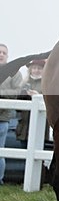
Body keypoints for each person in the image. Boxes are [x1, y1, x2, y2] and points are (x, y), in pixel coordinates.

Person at [0, 44, 26, 185]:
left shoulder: (14, 72)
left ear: (7, 56)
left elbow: (16, 92)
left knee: (1, 152)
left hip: (3, 118)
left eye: (4, 52)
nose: (1, 54)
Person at [14, 59, 46, 145]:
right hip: (25, 125)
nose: (36, 71)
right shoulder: (23, 83)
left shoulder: (48, 83)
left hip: (40, 125)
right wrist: (22, 94)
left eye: (39, 68)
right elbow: (17, 107)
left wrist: (38, 96)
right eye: (34, 68)